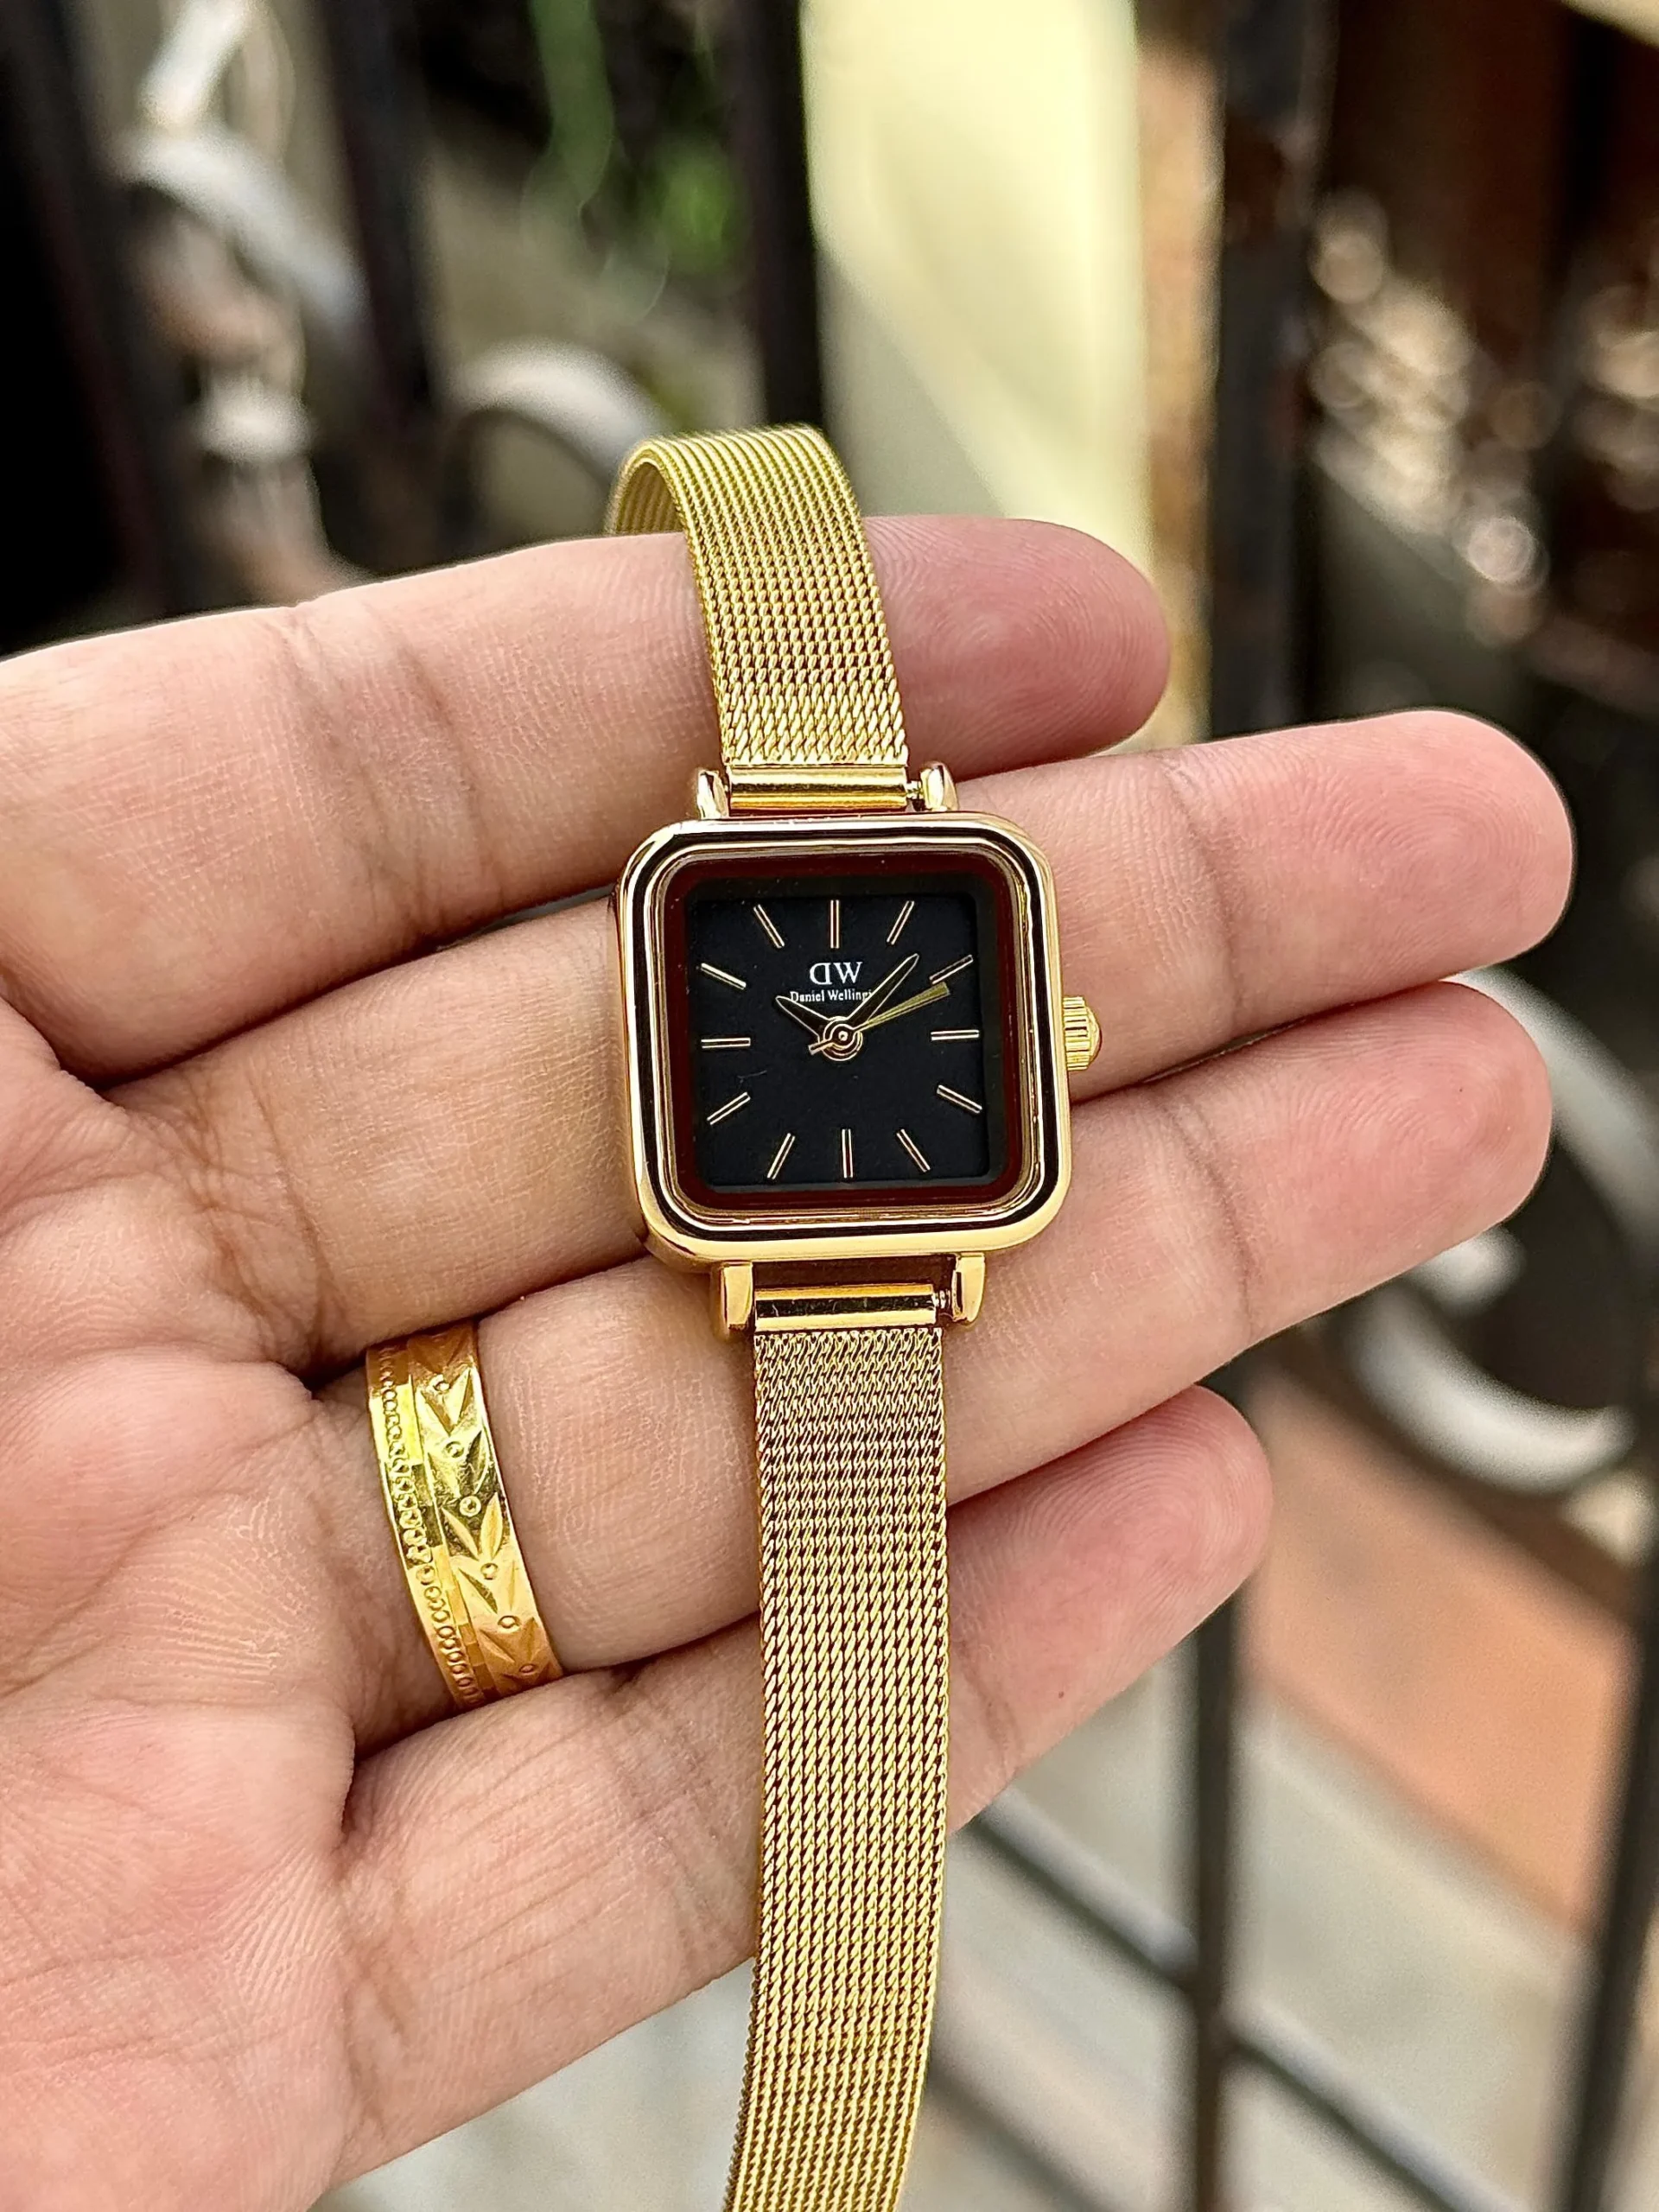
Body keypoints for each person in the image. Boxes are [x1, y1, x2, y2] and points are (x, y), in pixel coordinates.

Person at [0, 514, 1569, 2208]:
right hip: (796, 1258)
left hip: (880, 1255)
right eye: (815, 1021)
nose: (830, 1030)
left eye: (863, 1018)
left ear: (1041, 1038)